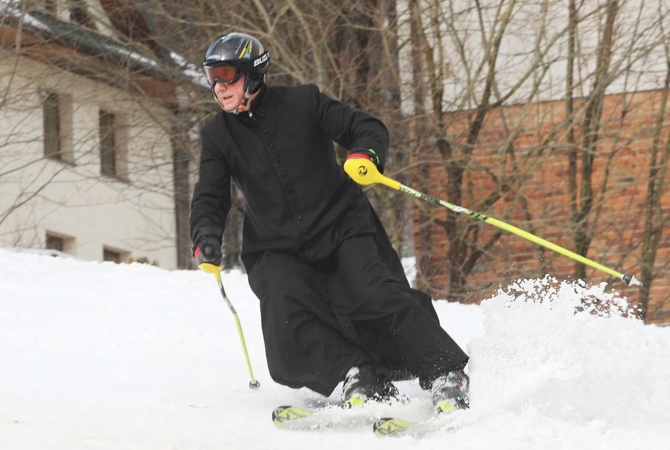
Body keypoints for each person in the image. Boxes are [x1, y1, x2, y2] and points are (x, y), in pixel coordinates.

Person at [189, 32, 470, 414]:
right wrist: (206, 236)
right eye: (212, 77)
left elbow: (365, 127)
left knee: (372, 291)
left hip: (341, 225)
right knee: (283, 305)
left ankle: (446, 373)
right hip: (277, 244)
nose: (218, 87)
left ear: (253, 73)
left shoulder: (303, 102)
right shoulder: (217, 135)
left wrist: (365, 153)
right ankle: (355, 373)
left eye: (226, 75)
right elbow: (209, 194)